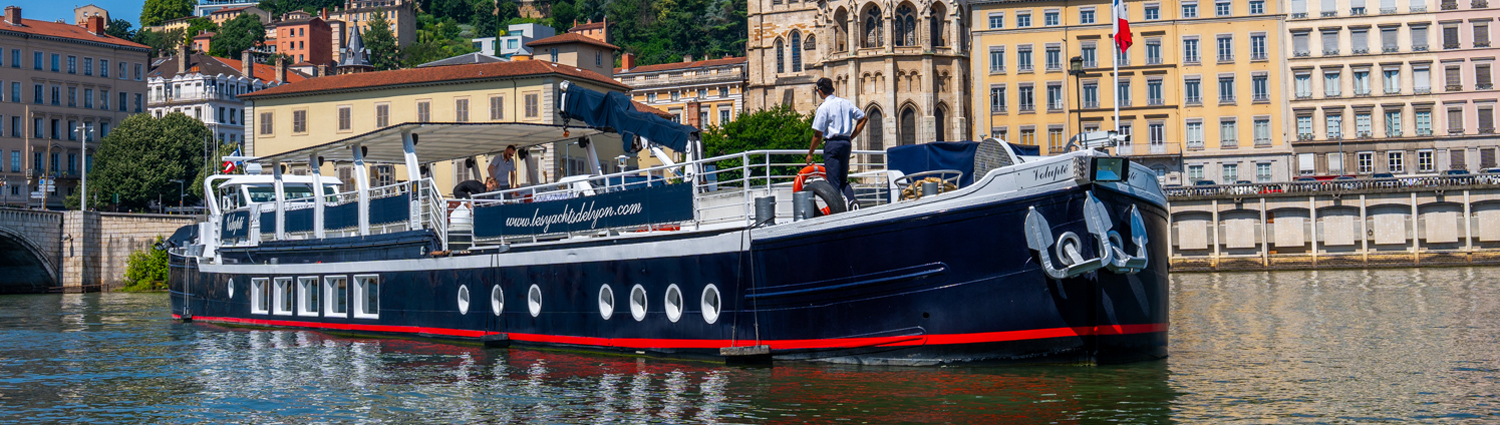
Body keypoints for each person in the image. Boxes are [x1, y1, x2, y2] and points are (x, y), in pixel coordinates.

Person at [805, 77, 868, 205]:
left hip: (832, 144)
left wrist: (810, 153)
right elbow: (864, 118)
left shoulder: (824, 108)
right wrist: (851, 137)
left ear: (821, 91)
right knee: (843, 179)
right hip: (845, 143)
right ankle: (852, 201)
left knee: (833, 181)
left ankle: (837, 209)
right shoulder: (845, 103)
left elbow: (818, 134)